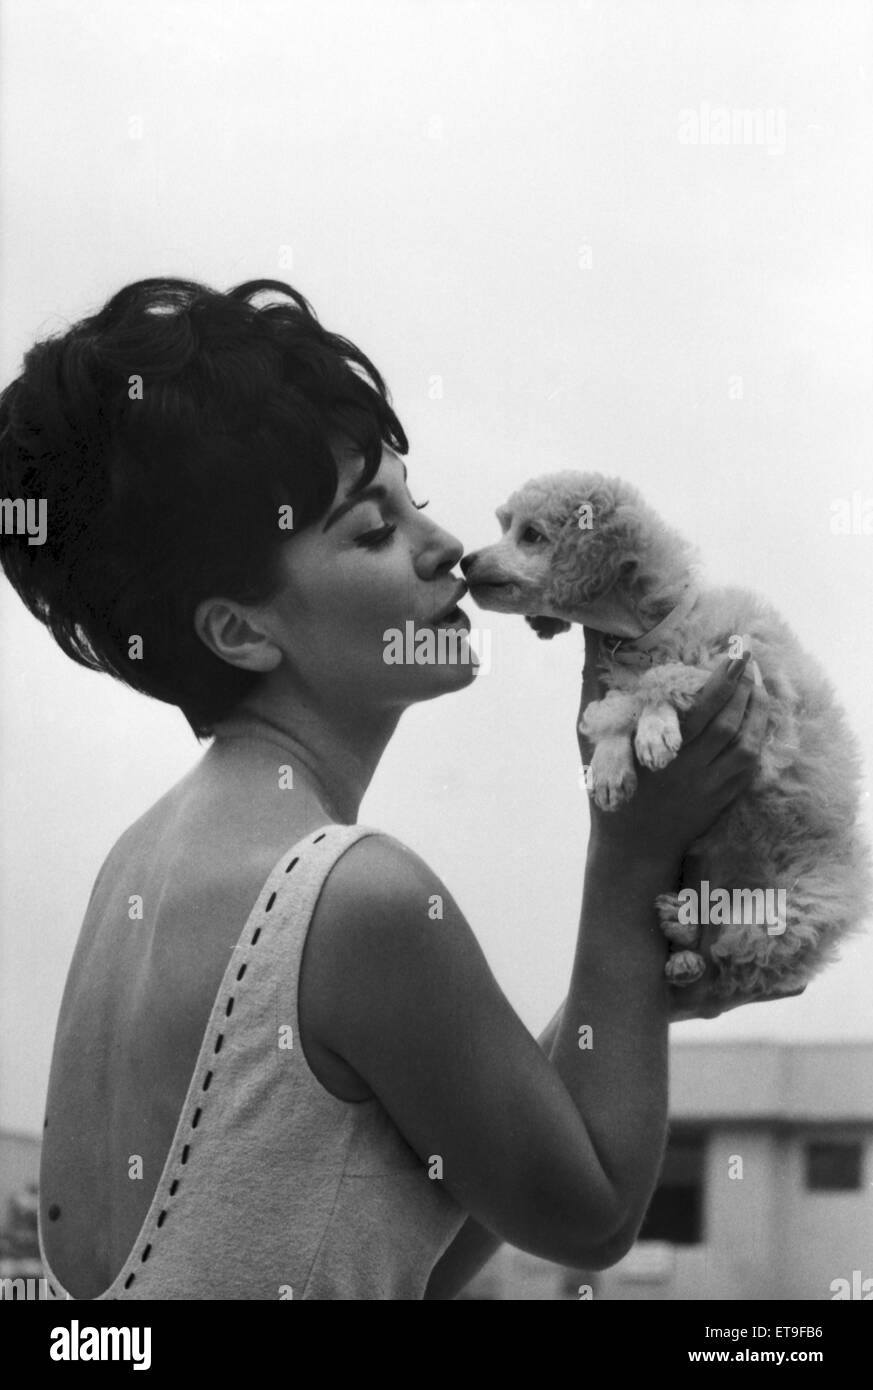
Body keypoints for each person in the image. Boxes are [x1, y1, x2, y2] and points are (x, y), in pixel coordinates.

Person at [0, 278, 787, 1301]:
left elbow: (392, 1236)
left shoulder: (138, 869)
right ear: (240, 628)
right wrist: (633, 860)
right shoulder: (355, 900)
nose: (445, 546)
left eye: (414, 500)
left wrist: (637, 1001)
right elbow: (592, 1216)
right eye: (373, 529)